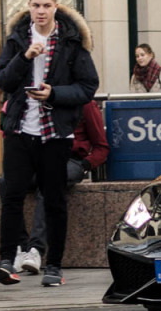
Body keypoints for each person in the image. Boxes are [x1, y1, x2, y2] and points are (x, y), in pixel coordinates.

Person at [0, 0, 100, 288]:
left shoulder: (70, 40)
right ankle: (5, 261)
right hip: (20, 129)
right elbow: (1, 80)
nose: (41, 11)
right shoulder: (17, 39)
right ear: (29, 6)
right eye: (36, 5)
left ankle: (54, 265)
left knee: (54, 199)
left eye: (46, 5)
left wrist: (54, 94)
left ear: (56, 6)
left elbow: (88, 86)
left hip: (55, 133)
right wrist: (24, 57)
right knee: (11, 194)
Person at [14, 99, 109, 275]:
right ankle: (21, 247)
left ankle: (36, 250)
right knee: (8, 183)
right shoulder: (41, 101)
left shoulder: (85, 103)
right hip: (41, 159)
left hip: (72, 160)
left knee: (49, 184)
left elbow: (101, 147)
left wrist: (85, 165)